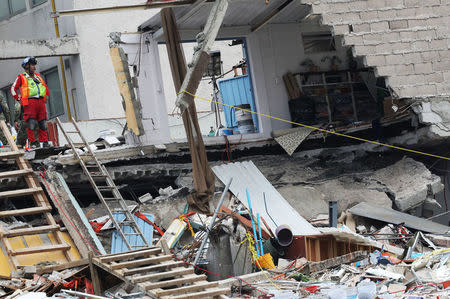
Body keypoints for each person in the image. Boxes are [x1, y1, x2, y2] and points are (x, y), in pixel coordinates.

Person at [11, 56, 50, 148]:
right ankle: (32, 143)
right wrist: (18, 99)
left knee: (43, 123)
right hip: (30, 102)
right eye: (32, 65)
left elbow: (45, 87)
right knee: (31, 123)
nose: (34, 67)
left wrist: (46, 97)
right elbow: (13, 89)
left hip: (40, 102)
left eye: (34, 65)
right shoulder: (21, 77)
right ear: (26, 66)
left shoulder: (38, 76)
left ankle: (45, 142)